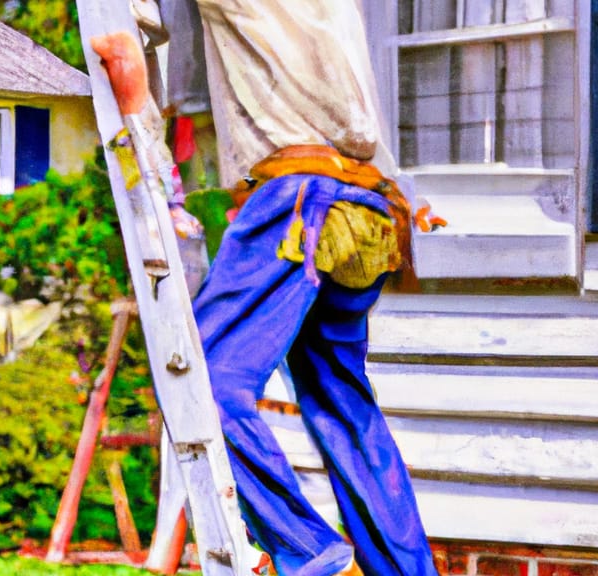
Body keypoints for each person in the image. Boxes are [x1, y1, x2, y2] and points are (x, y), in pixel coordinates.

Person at [96, 1, 438, 573]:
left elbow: (126, 41)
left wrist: (138, 117)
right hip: (372, 205)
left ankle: (313, 556)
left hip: (298, 199)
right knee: (344, 410)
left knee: (201, 382)